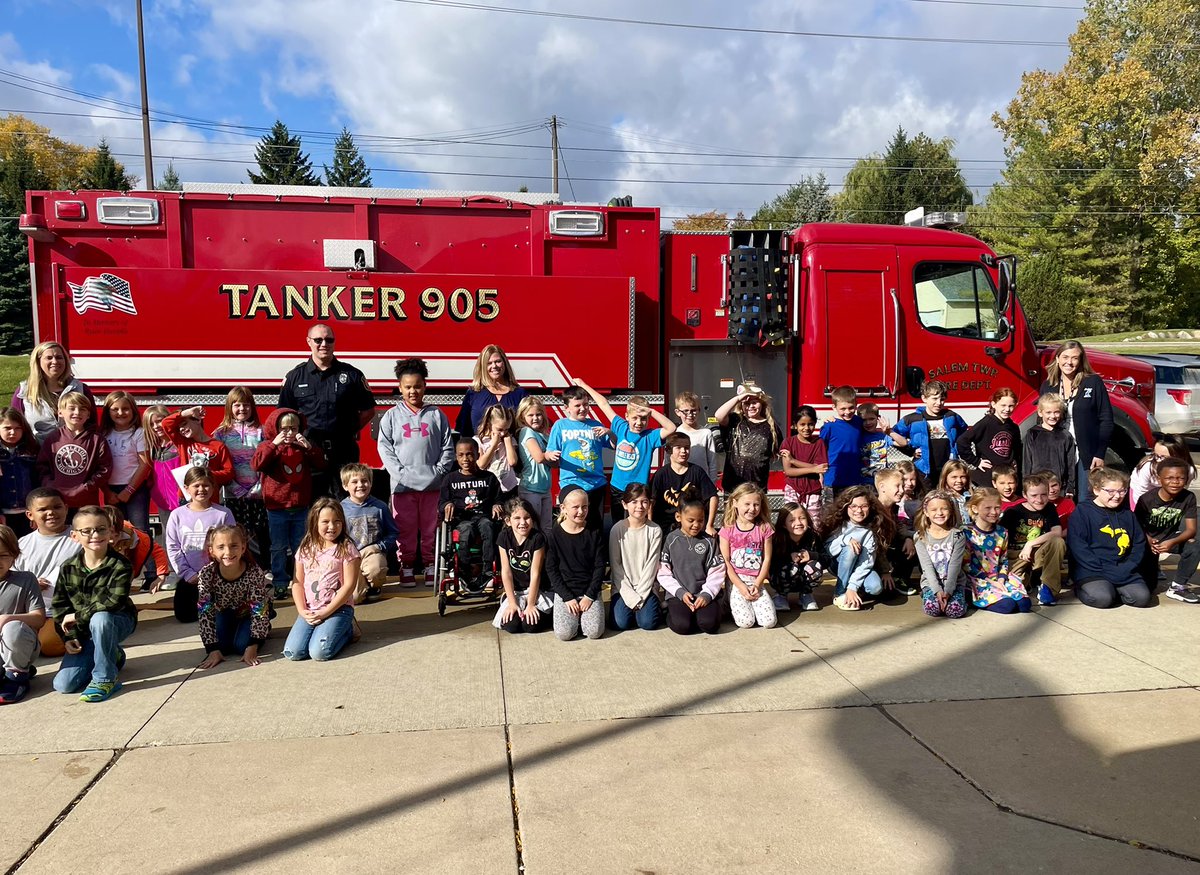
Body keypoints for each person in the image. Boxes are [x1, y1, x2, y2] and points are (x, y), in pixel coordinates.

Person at [377, 358, 454, 587]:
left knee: (431, 527)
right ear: (400, 387)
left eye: (417, 386)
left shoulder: (437, 415)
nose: (413, 391)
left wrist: (439, 472)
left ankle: (431, 564)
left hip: (432, 486)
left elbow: (447, 447)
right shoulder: (391, 416)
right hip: (402, 487)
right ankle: (407, 566)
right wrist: (400, 474)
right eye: (408, 387)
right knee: (405, 529)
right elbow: (385, 448)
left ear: (425, 386)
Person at [278, 323, 376, 498]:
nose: (324, 344)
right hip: (309, 451)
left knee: (347, 502)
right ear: (308, 341)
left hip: (344, 451)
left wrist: (347, 431)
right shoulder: (294, 377)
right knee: (312, 505)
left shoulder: (352, 375)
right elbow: (283, 416)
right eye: (318, 340)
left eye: (329, 340)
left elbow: (368, 411)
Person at [51, 505, 137, 702]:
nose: (95, 534)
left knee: (101, 618)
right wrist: (68, 637)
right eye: (87, 531)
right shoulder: (68, 567)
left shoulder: (120, 565)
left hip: (117, 621)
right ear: (74, 536)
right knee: (64, 685)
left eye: (101, 529)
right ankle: (112, 654)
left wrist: (77, 616)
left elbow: (113, 602)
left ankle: (105, 678)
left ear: (111, 533)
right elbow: (60, 606)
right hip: (83, 630)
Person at [575, 378, 675, 522]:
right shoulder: (620, 427)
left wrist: (651, 411)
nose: (639, 423)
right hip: (617, 488)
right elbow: (603, 403)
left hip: (639, 491)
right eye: (635, 418)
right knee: (618, 526)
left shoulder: (650, 436)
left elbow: (671, 428)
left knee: (638, 524)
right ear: (626, 416)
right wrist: (584, 385)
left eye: (643, 419)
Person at [252, 408, 325, 599]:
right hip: (276, 509)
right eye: (284, 429)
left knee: (301, 545)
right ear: (275, 429)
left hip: (300, 507)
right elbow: (257, 464)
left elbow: (321, 464)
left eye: (294, 428)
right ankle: (280, 581)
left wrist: (309, 448)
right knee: (278, 547)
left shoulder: (302, 447)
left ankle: (301, 579)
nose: (289, 433)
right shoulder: (267, 446)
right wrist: (273, 445)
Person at [283, 498, 361, 661]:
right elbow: (297, 583)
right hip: (311, 609)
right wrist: (302, 611)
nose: (332, 527)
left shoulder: (346, 548)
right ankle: (328, 630)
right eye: (325, 522)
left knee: (320, 652)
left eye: (337, 521)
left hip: (339, 609)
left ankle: (348, 630)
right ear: (315, 523)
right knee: (294, 652)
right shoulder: (305, 548)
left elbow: (349, 585)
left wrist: (326, 611)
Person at [1068, 469, 1149, 609]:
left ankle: (1114, 589)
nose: (1117, 496)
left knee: (1142, 598)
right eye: (1111, 491)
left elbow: (1139, 543)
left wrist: (1129, 566)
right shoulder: (1082, 512)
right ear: (1097, 490)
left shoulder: (1127, 514)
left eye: (1122, 491)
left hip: (1123, 569)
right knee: (1102, 599)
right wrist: (1102, 568)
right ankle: (1086, 588)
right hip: (1093, 569)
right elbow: (1078, 546)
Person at [1041, 341, 1113, 498]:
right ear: (1058, 358)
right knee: (1057, 498)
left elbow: (1106, 419)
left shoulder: (1093, 382)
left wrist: (1100, 454)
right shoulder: (1048, 385)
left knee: (1085, 498)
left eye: (1074, 358)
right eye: (1065, 357)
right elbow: (1042, 421)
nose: (1069, 362)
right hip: (1057, 452)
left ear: (1081, 361)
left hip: (1086, 451)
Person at [14, 488, 79, 657]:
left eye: (57, 507)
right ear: (30, 515)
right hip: (30, 611)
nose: (51, 513)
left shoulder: (81, 537)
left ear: (66, 508)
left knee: (49, 646)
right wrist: (30, 584)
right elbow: (10, 579)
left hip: (63, 611)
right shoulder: (22, 544)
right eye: (42, 509)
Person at [196, 524, 272, 669]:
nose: (228, 552)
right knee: (222, 647)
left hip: (248, 613)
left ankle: (264, 628)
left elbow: (259, 609)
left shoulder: (254, 572)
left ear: (243, 548)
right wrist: (212, 649)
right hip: (224, 611)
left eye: (234, 546)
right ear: (211, 551)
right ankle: (233, 630)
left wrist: (253, 645)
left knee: (241, 646)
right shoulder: (206, 574)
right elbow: (204, 611)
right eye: (221, 547)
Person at [166, 467, 235, 623]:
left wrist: (219, 573)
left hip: (218, 578)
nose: (201, 489)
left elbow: (231, 546)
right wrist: (187, 573)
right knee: (185, 616)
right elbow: (173, 547)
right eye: (196, 486)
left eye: (206, 485)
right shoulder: (177, 515)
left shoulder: (223, 514)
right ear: (186, 489)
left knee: (222, 614)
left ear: (213, 487)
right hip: (190, 578)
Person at [213, 387, 268, 566]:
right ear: (229, 407)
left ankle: (264, 567)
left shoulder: (262, 431)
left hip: (257, 493)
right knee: (237, 533)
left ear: (252, 407)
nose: (242, 409)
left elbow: (266, 463)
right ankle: (240, 567)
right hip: (232, 494)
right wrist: (234, 488)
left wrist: (257, 489)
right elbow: (221, 465)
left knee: (261, 532)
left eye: (246, 405)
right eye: (237, 405)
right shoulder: (221, 433)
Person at [1135, 457, 1200, 604]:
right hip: (1147, 540)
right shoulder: (1146, 499)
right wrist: (1148, 540)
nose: (1175, 482)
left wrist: (1172, 541)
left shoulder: (1188, 497)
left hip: (1170, 537)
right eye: (1169, 478)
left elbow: (1191, 530)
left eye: (1180, 478)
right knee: (1148, 588)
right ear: (1159, 479)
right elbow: (1136, 526)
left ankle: (1178, 587)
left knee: (1194, 544)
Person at [545, 386, 609, 532]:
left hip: (596, 484)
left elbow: (615, 445)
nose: (583, 408)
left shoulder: (596, 424)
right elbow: (549, 451)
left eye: (586, 404)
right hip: (571, 483)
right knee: (572, 525)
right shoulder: (560, 425)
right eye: (577, 405)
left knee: (595, 526)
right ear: (566, 408)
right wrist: (551, 456)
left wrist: (609, 432)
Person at [546, 486, 606, 641]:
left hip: (589, 591)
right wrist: (566, 597)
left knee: (594, 632)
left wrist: (590, 595)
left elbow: (600, 567)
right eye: (575, 507)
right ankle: (574, 622)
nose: (581, 511)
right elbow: (551, 569)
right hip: (566, 592)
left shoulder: (595, 532)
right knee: (564, 634)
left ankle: (582, 621)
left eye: (584, 507)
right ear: (563, 508)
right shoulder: (554, 535)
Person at [658, 499, 725, 635]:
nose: (696, 525)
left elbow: (717, 571)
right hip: (679, 595)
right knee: (682, 626)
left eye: (700, 521)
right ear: (679, 517)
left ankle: (706, 613)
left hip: (702, 593)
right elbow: (663, 572)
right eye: (691, 520)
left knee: (709, 625)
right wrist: (680, 592)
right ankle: (670, 611)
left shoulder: (709, 541)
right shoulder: (671, 540)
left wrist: (707, 594)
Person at [36, 391, 111, 512]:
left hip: (87, 502)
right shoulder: (52, 439)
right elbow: (42, 467)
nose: (77, 412)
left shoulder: (97, 440)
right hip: (57, 503)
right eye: (72, 408)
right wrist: (50, 485)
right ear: (60, 412)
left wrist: (87, 487)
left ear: (88, 414)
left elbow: (105, 469)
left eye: (82, 409)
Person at [440, 439, 503, 584]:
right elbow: (442, 503)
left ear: (477, 454)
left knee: (488, 526)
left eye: (469, 454)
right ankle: (464, 570)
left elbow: (499, 498)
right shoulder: (450, 479)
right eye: (461, 455)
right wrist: (447, 505)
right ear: (456, 456)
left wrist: (497, 505)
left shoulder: (489, 478)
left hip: (483, 517)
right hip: (462, 519)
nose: (465, 459)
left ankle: (488, 570)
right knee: (466, 530)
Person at [823, 485, 894, 612]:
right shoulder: (839, 523)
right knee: (850, 550)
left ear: (870, 507)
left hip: (859, 565)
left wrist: (853, 587)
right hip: (838, 564)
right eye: (853, 506)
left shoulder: (870, 530)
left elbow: (866, 563)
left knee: (875, 588)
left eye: (863, 506)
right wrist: (845, 540)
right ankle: (839, 593)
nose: (859, 511)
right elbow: (828, 549)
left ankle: (852, 591)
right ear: (846, 507)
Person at [1001, 472, 1067, 606]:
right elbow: (999, 537)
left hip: (1036, 553)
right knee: (1016, 589)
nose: (1040, 499)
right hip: (1016, 556)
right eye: (1034, 495)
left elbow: (1057, 532)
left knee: (1057, 542)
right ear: (1025, 495)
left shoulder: (1049, 508)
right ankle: (1031, 580)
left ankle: (1048, 588)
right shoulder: (1013, 512)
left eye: (1044, 494)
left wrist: (1030, 544)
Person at [719, 482, 778, 628]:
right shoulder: (728, 529)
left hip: (756, 580)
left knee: (769, 622)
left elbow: (767, 559)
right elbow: (726, 560)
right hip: (736, 580)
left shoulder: (764, 529)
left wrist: (758, 584)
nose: (752, 509)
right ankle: (728, 599)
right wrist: (740, 586)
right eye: (747, 504)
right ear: (735, 503)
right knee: (746, 622)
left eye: (756, 505)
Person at [0, 525, 48, 704]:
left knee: (12, 627)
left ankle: (16, 677)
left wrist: (8, 618)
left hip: (19, 641)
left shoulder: (25, 579)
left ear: (14, 556)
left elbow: (39, 618)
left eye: (3, 555)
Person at [963, 488, 1030, 614]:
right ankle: (973, 598)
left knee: (1024, 604)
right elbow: (966, 565)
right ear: (975, 508)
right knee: (1008, 606)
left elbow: (1003, 560)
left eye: (997, 507)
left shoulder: (1002, 532)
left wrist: (1001, 579)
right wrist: (989, 581)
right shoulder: (967, 533)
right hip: (977, 579)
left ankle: (1000, 594)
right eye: (987, 508)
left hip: (998, 577)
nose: (994, 512)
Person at [11, 341, 92, 443]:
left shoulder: (81, 389)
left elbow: (92, 425)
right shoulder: (24, 392)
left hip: (75, 454)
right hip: (36, 455)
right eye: (49, 358)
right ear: (38, 361)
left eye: (59, 357)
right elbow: (13, 425)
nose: (55, 361)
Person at [340, 464, 398, 603]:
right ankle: (359, 586)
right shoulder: (340, 508)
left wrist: (378, 547)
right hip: (349, 557)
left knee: (376, 569)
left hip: (372, 554)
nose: (360, 485)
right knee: (355, 598)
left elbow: (393, 533)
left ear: (371, 483)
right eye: (354, 482)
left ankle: (374, 586)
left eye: (364, 481)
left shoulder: (379, 507)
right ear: (345, 486)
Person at [608, 484, 663, 631]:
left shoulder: (655, 530)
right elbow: (616, 567)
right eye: (634, 502)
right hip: (623, 588)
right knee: (620, 623)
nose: (639, 506)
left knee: (647, 623)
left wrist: (641, 595)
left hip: (646, 587)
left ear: (650, 504)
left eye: (644, 501)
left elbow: (652, 566)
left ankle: (650, 608)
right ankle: (633, 610)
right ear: (624, 505)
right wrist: (631, 596)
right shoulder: (617, 530)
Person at [494, 498, 552, 634]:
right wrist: (512, 603)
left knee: (530, 626)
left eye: (527, 518)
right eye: (517, 518)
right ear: (508, 521)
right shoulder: (504, 537)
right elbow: (506, 572)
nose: (523, 522)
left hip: (536, 591)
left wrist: (531, 605)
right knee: (512, 626)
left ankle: (550, 615)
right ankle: (516, 607)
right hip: (516, 592)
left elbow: (535, 573)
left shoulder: (537, 538)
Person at [892, 380, 966, 481]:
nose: (939, 403)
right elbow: (891, 437)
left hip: (948, 470)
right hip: (923, 471)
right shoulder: (912, 419)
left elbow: (964, 435)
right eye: (934, 399)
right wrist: (910, 451)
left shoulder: (952, 417)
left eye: (942, 399)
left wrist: (956, 450)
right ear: (924, 398)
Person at [100, 391, 151, 536]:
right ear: (107, 412)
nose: (120, 412)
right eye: (115, 409)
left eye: (125, 408)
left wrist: (129, 491)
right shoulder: (103, 434)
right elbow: (99, 466)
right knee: (114, 531)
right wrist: (107, 492)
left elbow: (145, 465)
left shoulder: (139, 433)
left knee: (140, 531)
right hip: (111, 490)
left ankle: (144, 559)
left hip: (135, 489)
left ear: (133, 410)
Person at [911, 491, 968, 619]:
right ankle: (928, 595)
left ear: (951, 510)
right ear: (926, 512)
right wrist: (937, 590)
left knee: (955, 611)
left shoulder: (958, 535)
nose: (939, 513)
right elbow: (927, 566)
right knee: (933, 608)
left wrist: (948, 591)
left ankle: (963, 598)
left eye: (944, 509)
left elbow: (955, 565)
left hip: (954, 583)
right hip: (931, 583)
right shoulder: (920, 536)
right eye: (934, 509)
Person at [714, 385, 781, 493]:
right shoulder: (735, 420)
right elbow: (718, 415)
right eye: (747, 403)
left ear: (762, 403)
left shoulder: (771, 427)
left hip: (757, 486)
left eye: (755, 402)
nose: (751, 406)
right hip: (733, 485)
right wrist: (739, 398)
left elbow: (778, 451)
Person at [648, 432, 718, 534]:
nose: (683, 451)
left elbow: (713, 497)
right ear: (668, 450)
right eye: (678, 447)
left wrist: (709, 525)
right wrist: (650, 524)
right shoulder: (661, 474)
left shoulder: (697, 472)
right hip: (665, 526)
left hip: (693, 525)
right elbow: (650, 501)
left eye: (686, 447)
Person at [455, 345, 529, 438]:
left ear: (505, 363)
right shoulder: (473, 394)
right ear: (483, 367)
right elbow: (464, 432)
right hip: (481, 451)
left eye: (498, 361)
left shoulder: (520, 394)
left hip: (512, 450)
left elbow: (528, 430)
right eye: (489, 363)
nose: (494, 366)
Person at [958, 388, 1022, 488]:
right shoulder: (986, 423)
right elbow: (962, 441)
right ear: (993, 404)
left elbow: (1018, 451)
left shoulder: (1013, 427)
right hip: (988, 477)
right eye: (1003, 405)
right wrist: (976, 461)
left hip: (1006, 476)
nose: (1007, 409)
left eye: (1011, 406)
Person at [161, 406, 235, 492]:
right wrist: (186, 413)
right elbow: (165, 423)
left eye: (184, 424)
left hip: (209, 497)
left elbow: (229, 472)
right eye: (178, 428)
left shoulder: (218, 446)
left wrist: (206, 475)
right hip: (187, 497)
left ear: (198, 420)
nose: (181, 429)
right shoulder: (182, 443)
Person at [771, 502, 824, 612]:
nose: (798, 523)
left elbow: (827, 559)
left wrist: (812, 555)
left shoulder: (813, 537)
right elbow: (770, 563)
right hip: (783, 579)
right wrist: (788, 557)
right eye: (792, 520)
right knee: (788, 567)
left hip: (804, 579)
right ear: (784, 524)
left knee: (815, 566)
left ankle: (806, 594)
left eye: (802, 518)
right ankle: (781, 595)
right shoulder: (777, 539)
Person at [1023, 393, 1078, 498]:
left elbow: (1070, 465)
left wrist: (1070, 488)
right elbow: (1027, 463)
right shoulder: (1032, 434)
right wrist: (1026, 487)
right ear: (1040, 412)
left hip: (1059, 489)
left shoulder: (1065, 436)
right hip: (1037, 487)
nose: (1052, 416)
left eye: (1056, 412)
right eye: (1048, 412)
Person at [103, 506, 169, 592]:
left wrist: (161, 576)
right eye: (107, 534)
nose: (111, 540)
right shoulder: (86, 538)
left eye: (116, 535)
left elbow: (158, 551)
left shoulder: (135, 537)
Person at [875, 468, 919, 596]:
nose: (902, 490)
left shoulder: (892, 507)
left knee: (914, 544)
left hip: (887, 549)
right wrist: (885, 571)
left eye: (902, 486)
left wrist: (908, 538)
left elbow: (899, 526)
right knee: (877, 590)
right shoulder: (874, 511)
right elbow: (876, 546)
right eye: (897, 486)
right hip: (874, 556)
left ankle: (899, 578)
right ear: (882, 487)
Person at [778, 404, 828, 515]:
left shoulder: (819, 443)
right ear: (795, 425)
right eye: (802, 424)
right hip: (793, 488)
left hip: (813, 490)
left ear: (815, 423)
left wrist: (793, 461)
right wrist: (814, 468)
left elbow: (823, 468)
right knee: (792, 519)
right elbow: (789, 471)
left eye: (810, 424)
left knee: (815, 523)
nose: (806, 428)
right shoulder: (788, 442)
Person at [515, 397, 553, 534]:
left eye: (539, 414)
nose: (535, 418)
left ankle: (546, 555)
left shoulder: (544, 435)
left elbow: (555, 462)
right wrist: (550, 456)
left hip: (545, 488)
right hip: (531, 487)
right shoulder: (526, 431)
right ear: (522, 417)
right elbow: (539, 457)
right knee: (533, 526)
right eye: (530, 415)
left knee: (547, 528)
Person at [821, 385, 870, 492]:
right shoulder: (829, 426)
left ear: (856, 405)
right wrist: (820, 473)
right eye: (843, 409)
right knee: (833, 508)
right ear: (834, 407)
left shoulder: (858, 422)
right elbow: (820, 449)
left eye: (851, 407)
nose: (847, 412)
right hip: (833, 476)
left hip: (854, 475)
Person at [0, 407, 38, 537]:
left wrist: (35, 510)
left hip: (27, 512)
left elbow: (37, 481)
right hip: (4, 514)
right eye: (7, 428)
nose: (12, 432)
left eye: (17, 428)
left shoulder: (31, 449)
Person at [1129, 435, 1195, 509]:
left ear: (1179, 457)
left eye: (1164, 457)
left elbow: (1181, 491)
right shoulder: (1147, 467)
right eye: (1156, 455)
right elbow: (1140, 493)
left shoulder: (1189, 471)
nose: (1158, 460)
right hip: (1144, 490)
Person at [144, 404, 181, 531]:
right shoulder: (152, 448)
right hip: (163, 503)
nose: (156, 427)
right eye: (151, 424)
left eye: (159, 421)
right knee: (168, 537)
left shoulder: (179, 443)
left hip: (182, 501)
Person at [475, 404, 521, 503]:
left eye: (507, 429)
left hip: (509, 487)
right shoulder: (480, 440)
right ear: (489, 424)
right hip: (490, 487)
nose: (503, 433)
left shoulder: (509, 439)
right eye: (499, 429)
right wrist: (494, 445)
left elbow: (513, 462)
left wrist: (508, 442)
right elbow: (481, 465)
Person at [673, 391, 718, 485]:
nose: (690, 414)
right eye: (685, 411)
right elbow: (667, 460)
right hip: (679, 482)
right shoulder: (674, 433)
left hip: (701, 483)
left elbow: (712, 462)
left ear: (699, 411)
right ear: (677, 412)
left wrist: (712, 485)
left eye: (693, 410)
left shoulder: (706, 433)